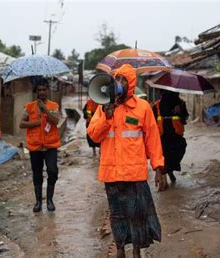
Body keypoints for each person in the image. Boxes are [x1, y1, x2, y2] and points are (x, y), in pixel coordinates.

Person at [87, 64, 167, 258]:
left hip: (134, 174)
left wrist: (158, 167)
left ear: (130, 84)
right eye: (116, 79)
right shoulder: (103, 106)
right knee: (117, 215)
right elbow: (93, 136)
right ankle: (120, 249)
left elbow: (152, 138)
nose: (119, 83)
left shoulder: (142, 107)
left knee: (136, 215)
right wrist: (106, 116)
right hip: (111, 173)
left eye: (123, 80)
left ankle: (137, 251)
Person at [20, 77, 61, 212]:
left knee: (52, 171)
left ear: (48, 91)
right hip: (35, 146)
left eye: (44, 89)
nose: (42, 92)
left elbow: (55, 121)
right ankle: (38, 202)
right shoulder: (30, 107)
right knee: (37, 174)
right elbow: (22, 123)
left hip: (50, 145)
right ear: (36, 92)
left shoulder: (53, 106)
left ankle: (49, 200)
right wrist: (37, 123)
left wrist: (45, 110)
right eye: (39, 90)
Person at [153, 90, 189, 183]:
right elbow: (152, 121)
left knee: (179, 149)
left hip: (176, 134)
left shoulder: (180, 103)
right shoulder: (157, 105)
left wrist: (179, 112)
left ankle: (169, 170)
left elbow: (185, 119)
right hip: (162, 134)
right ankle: (164, 178)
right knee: (164, 155)